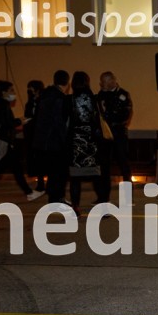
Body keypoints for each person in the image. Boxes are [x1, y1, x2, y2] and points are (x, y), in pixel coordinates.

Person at [0, 81, 44, 206]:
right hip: (2, 142)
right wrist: (20, 121)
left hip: (3, 141)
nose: (14, 93)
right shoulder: (2, 105)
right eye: (11, 90)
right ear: (4, 92)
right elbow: (7, 123)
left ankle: (28, 192)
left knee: (14, 168)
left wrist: (18, 121)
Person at [68, 71, 104, 216]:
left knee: (75, 179)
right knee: (96, 176)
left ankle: (75, 207)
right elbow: (97, 120)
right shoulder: (93, 98)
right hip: (91, 141)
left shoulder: (69, 99)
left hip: (75, 142)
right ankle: (102, 207)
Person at [33, 70, 71, 204]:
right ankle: (58, 198)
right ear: (67, 83)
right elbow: (59, 122)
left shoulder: (44, 96)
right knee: (60, 172)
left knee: (52, 171)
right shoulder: (59, 98)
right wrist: (65, 139)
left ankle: (53, 197)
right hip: (55, 140)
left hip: (43, 140)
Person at [97, 71, 132, 193]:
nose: (102, 84)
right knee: (104, 165)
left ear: (112, 81)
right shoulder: (101, 95)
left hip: (119, 132)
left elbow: (126, 114)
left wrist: (112, 118)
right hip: (105, 134)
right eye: (102, 82)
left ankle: (127, 195)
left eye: (104, 82)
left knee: (123, 163)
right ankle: (103, 195)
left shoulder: (122, 95)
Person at [23, 80, 46, 192]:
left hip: (41, 134)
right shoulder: (30, 103)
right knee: (35, 160)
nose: (29, 91)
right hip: (31, 134)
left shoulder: (44, 101)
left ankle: (43, 182)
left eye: (31, 88)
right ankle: (40, 181)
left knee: (42, 160)